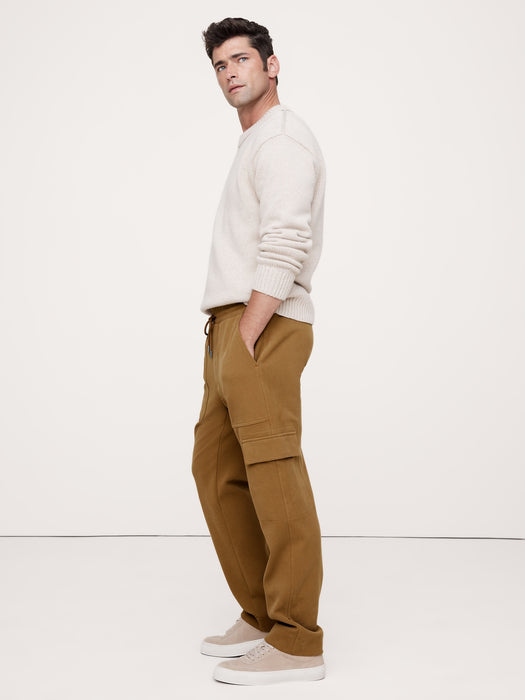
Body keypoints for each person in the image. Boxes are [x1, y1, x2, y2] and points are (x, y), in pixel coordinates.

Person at [191, 17, 326, 685]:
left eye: (241, 59)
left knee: (274, 472)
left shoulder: (281, 140)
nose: (230, 73)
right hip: (233, 325)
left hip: (262, 323)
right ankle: (264, 612)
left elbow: (286, 241)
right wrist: (230, 333)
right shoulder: (254, 143)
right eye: (220, 65)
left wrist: (247, 331)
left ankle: (298, 641)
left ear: (271, 65)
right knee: (215, 468)